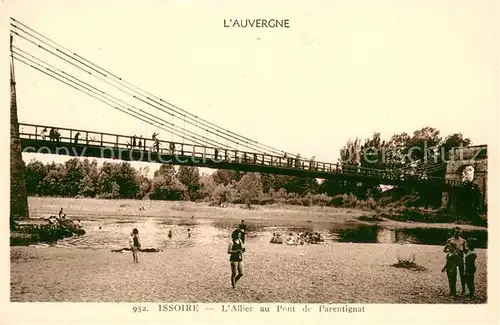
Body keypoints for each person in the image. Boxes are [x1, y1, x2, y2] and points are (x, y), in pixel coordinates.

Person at [444, 227, 467, 297]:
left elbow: (465, 251)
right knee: (452, 275)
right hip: (452, 260)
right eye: (455, 232)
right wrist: (451, 251)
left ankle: (463, 290)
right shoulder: (450, 240)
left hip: (460, 259)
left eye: (458, 232)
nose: (457, 233)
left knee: (462, 275)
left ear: (460, 232)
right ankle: (453, 291)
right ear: (453, 232)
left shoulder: (463, 241)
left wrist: (469, 251)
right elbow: (445, 250)